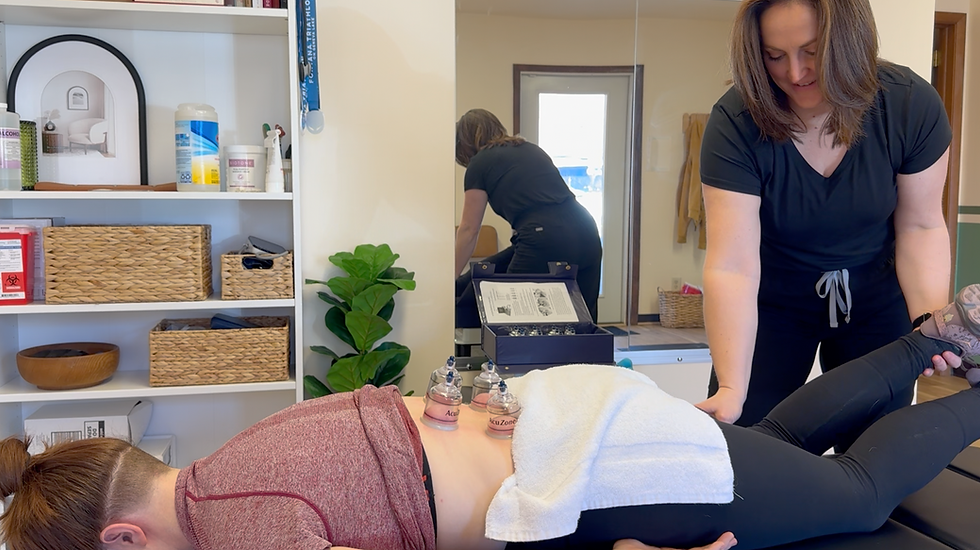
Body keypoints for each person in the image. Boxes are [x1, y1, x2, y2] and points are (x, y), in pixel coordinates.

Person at [4, 284, 980, 550]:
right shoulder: (240, 452)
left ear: (125, 539)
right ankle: (930, 340)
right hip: (565, 413)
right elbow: (415, 407)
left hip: (592, 466)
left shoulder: (237, 525)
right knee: (759, 446)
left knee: (854, 496)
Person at [697, 0, 957, 429]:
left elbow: (922, 226)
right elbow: (732, 266)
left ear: (850, 42)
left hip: (875, 300)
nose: (794, 74)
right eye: (774, 56)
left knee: (872, 451)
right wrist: (731, 389)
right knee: (744, 439)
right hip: (772, 305)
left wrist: (929, 324)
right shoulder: (735, 122)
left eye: (812, 51)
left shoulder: (910, 106)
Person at [454, 108, 603, 323]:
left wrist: (450, 278)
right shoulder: (530, 149)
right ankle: (588, 357)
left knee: (510, 315)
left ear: (466, 142)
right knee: (584, 319)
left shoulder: (480, 163)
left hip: (544, 236)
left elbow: (469, 230)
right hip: (586, 230)